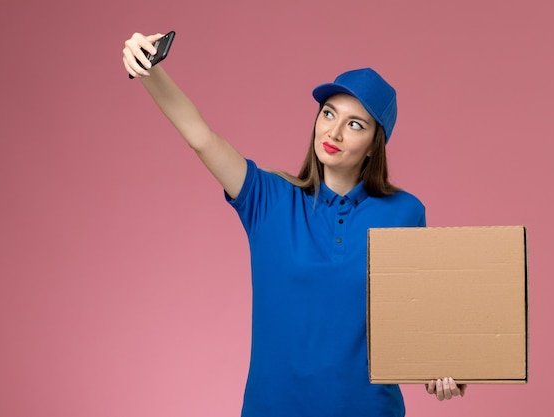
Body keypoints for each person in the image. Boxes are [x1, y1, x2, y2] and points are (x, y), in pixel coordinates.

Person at [122, 31, 467, 416]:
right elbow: (201, 137)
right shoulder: (267, 198)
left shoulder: (404, 212)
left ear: (374, 144)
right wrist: (150, 70)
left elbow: (415, 319)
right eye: (329, 114)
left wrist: (443, 367)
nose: (333, 132)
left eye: (355, 124)